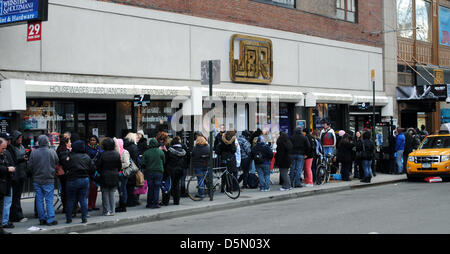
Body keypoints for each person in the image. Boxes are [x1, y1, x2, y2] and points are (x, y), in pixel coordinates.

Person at [27, 135, 59, 226]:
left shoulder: (34, 153)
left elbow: (30, 166)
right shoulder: (52, 152)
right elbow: (57, 161)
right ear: (47, 142)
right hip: (49, 178)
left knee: (39, 199)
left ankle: (42, 218)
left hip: (37, 179)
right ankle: (50, 219)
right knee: (49, 199)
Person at [63, 140, 95, 224]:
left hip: (72, 179)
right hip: (84, 179)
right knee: (83, 199)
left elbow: (65, 167)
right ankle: (84, 218)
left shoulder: (70, 156)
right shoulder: (87, 157)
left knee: (70, 199)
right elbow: (92, 168)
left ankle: (69, 218)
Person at [96, 137, 121, 216]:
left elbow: (98, 166)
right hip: (114, 175)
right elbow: (119, 166)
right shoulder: (117, 154)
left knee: (105, 193)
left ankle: (106, 211)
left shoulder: (102, 154)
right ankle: (112, 210)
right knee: (112, 193)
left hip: (104, 175)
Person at [7, 131, 28, 223]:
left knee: (17, 196)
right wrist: (23, 159)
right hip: (16, 175)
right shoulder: (11, 148)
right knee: (15, 197)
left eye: (21, 137)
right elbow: (14, 160)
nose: (21, 139)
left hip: (21, 173)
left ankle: (15, 214)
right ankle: (17, 215)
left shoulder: (21, 146)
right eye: (19, 137)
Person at [142, 138, 166, 209]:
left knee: (150, 187)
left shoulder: (146, 152)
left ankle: (149, 203)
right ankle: (155, 203)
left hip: (149, 172)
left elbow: (143, 163)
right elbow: (164, 161)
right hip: (159, 171)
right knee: (157, 187)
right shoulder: (160, 152)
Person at [162, 136, 186, 205]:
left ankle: (165, 201)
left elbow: (166, 160)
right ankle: (176, 201)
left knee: (168, 186)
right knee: (176, 185)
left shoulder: (170, 151)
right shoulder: (183, 151)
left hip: (170, 170)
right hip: (179, 170)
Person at [0, 137, 15, 234]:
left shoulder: (3, 155)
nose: (4, 150)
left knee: (1, 206)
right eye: (3, 148)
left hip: (4, 185)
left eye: (5, 148)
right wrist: (7, 169)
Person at [86, 135, 102, 211]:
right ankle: (89, 205)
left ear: (96, 141)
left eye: (94, 140)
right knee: (90, 189)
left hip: (96, 170)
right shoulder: (87, 148)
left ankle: (93, 205)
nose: (92, 141)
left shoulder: (99, 149)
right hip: (89, 170)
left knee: (95, 188)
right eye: (91, 140)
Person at [56, 136, 71, 215]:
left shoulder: (59, 150)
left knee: (64, 190)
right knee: (66, 191)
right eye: (69, 142)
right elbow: (66, 163)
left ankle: (65, 207)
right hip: (65, 174)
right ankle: (67, 207)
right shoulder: (65, 151)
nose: (70, 143)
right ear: (66, 143)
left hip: (61, 174)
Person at [114, 138, 129, 213]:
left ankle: (123, 205)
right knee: (120, 190)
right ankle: (121, 204)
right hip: (118, 173)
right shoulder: (116, 152)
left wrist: (118, 166)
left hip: (122, 174)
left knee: (123, 189)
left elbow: (127, 163)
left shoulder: (124, 152)